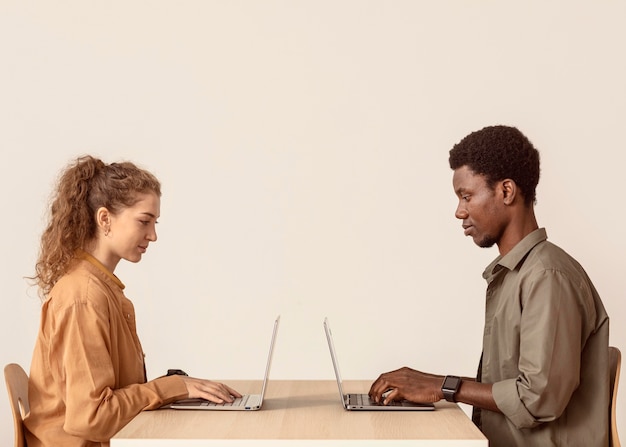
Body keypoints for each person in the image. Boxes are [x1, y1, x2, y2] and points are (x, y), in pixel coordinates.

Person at [368, 125, 610, 446]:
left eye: (467, 196)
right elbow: (512, 388)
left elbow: (537, 398)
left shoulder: (547, 276)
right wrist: (430, 385)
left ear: (506, 191)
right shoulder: (513, 275)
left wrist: (445, 386)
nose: (459, 211)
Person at [25, 156, 242, 447]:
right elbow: (91, 418)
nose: (152, 235)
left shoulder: (102, 289)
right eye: (144, 221)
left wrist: (176, 389)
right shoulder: (83, 297)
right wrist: (168, 388)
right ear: (105, 219)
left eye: (154, 223)